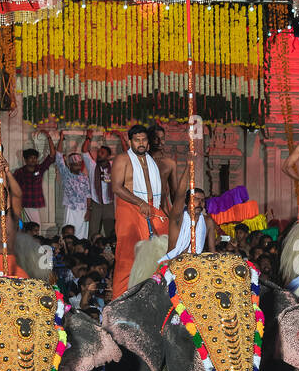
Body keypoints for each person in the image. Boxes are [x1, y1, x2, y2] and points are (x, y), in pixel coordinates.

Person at [110, 125, 169, 298]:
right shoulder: (123, 159)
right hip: (130, 207)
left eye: (144, 140)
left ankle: (155, 292)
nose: (141, 143)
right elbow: (116, 187)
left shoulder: (151, 161)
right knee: (128, 254)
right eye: (137, 140)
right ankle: (119, 298)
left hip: (152, 207)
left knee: (165, 245)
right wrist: (139, 202)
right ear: (130, 142)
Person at [163, 188, 215, 262]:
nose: (200, 203)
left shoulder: (208, 222)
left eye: (202, 200)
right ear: (188, 201)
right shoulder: (179, 218)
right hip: (175, 261)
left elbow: (212, 250)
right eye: (196, 199)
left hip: (196, 263)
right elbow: (178, 194)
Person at [82, 129, 116, 240]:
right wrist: (88, 137)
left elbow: (128, 156)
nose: (99, 155)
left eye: (102, 153)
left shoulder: (114, 165)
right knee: (93, 231)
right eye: (98, 152)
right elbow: (84, 151)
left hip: (109, 204)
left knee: (110, 232)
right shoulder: (92, 166)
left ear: (108, 156)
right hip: (95, 204)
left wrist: (121, 137)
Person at [11, 138, 56, 217]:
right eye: (31, 158)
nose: (33, 160)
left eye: (35, 158)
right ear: (25, 160)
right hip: (23, 205)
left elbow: (52, 155)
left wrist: (48, 137)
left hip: (35, 204)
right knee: (23, 228)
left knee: (36, 227)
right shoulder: (19, 172)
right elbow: (13, 188)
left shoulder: (40, 169)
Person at [58, 147, 92, 241]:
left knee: (82, 234)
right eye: (75, 165)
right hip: (71, 209)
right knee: (68, 233)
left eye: (79, 164)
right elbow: (58, 157)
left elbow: (88, 195)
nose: (78, 166)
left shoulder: (84, 177)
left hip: (83, 210)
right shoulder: (66, 175)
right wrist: (61, 139)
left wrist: (88, 210)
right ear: (70, 165)